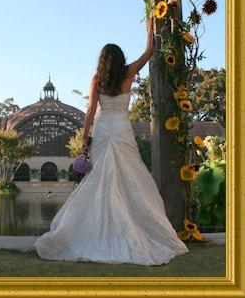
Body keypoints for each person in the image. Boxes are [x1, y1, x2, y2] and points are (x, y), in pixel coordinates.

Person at [34, 15, 189, 265]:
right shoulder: (128, 73)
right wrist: (151, 30)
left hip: (105, 128)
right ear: (120, 60)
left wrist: (84, 139)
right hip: (122, 128)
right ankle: (134, 226)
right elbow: (148, 52)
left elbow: (90, 111)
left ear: (102, 61)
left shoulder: (97, 80)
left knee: (102, 177)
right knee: (131, 175)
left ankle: (96, 230)